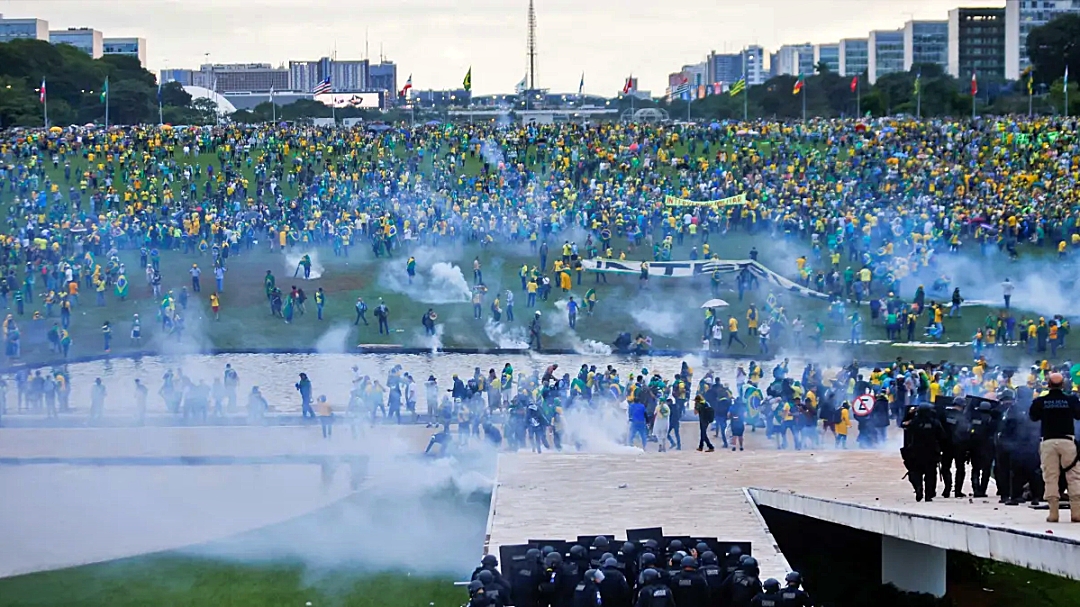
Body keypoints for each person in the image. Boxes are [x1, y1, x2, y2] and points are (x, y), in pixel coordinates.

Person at [1029, 372, 1080, 522]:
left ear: (1048, 385)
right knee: (1074, 476)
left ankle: (1053, 514)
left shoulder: (1041, 401)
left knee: (1050, 477)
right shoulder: (1071, 400)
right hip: (1067, 441)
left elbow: (1033, 417)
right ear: (1063, 385)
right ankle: (1076, 513)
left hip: (1048, 442)